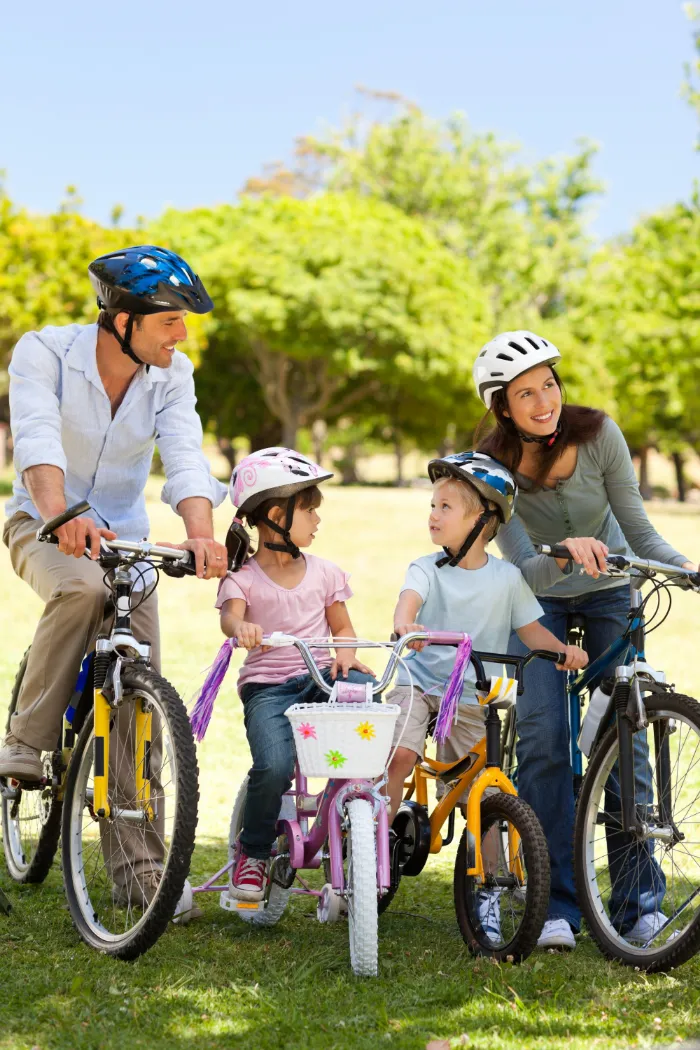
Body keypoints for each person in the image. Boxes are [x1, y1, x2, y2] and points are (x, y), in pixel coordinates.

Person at [0, 244, 228, 904]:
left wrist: (202, 534)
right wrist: (60, 511)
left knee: (139, 698)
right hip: (42, 521)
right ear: (121, 320)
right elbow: (37, 437)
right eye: (170, 320)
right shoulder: (44, 352)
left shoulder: (171, 374)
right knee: (82, 586)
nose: (182, 334)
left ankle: (141, 874)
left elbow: (185, 454)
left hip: (124, 540)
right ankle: (25, 742)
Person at [473, 329, 697, 949]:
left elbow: (640, 532)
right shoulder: (493, 466)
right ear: (503, 406)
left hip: (611, 585)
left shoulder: (600, 435)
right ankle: (553, 904)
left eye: (549, 384)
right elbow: (521, 568)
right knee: (546, 736)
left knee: (628, 730)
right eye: (526, 393)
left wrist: (691, 570)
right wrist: (569, 557)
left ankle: (637, 901)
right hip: (537, 597)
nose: (544, 400)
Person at [385, 451, 588, 825]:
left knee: (483, 793)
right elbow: (407, 602)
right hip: (420, 684)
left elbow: (530, 631)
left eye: (445, 506)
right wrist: (406, 626)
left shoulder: (508, 578)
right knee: (399, 755)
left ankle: (492, 879)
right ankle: (375, 843)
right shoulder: (426, 568)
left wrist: (561, 651)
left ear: (481, 519)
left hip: (473, 696)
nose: (433, 514)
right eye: (433, 505)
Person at [216, 447, 375, 902]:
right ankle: (254, 852)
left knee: (368, 698)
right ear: (276, 513)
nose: (317, 521)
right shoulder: (242, 578)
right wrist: (241, 627)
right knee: (274, 766)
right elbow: (231, 618)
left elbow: (342, 628)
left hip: (320, 678)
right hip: (268, 689)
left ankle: (359, 815)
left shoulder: (324, 573)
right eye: (310, 511)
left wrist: (345, 653)